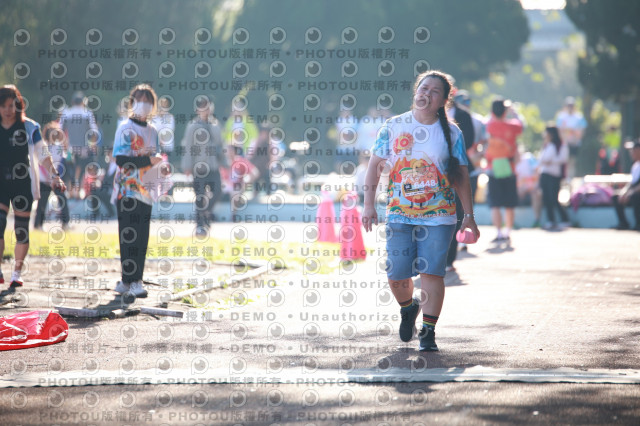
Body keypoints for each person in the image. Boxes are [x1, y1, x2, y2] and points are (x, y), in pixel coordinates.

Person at [362, 71, 479, 352]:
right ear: (416, 91)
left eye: (435, 91)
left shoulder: (452, 133)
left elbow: (461, 175)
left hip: (439, 215)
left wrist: (468, 216)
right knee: (396, 274)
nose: (427, 93)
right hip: (400, 213)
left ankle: (428, 332)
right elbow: (374, 166)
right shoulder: (394, 126)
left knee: (432, 273)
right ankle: (408, 307)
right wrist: (368, 205)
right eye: (423, 88)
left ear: (444, 101)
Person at [0, 85, 66, 287]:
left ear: (18, 106)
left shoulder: (30, 127)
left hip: (22, 183)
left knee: (21, 230)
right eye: (3, 106)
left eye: (11, 105)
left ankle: (16, 273)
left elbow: (42, 153)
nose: (7, 110)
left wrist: (55, 175)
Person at [112, 84, 165, 298]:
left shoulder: (153, 131)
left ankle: (134, 280)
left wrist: (161, 166)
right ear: (132, 103)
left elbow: (156, 158)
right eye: (140, 100)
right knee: (129, 235)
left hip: (147, 191)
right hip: (127, 190)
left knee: (142, 237)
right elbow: (121, 160)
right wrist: (148, 161)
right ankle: (129, 280)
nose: (144, 105)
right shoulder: (125, 127)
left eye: (148, 101)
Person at [180, 97, 227, 235]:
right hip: (198, 167)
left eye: (207, 106)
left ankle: (206, 213)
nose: (205, 109)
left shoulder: (216, 125)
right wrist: (187, 166)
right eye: (202, 107)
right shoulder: (192, 126)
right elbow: (188, 147)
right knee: (200, 196)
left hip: (213, 166)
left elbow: (221, 145)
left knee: (217, 191)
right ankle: (200, 225)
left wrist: (225, 163)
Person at [445, 89, 475, 272]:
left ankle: (449, 259)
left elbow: (469, 139)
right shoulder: (424, 115)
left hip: (455, 168)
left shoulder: (463, 115)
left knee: (455, 213)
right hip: (429, 175)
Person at [485, 98, 523, 242]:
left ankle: (499, 232)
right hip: (509, 166)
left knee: (495, 203)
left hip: (492, 166)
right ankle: (508, 231)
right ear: (505, 111)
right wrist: (514, 112)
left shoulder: (489, 126)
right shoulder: (512, 126)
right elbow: (521, 125)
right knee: (509, 203)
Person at [59, 91, 99, 197]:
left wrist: (64, 145)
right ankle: (79, 191)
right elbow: (94, 132)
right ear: (83, 102)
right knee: (82, 169)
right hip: (84, 148)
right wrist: (93, 145)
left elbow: (60, 131)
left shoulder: (66, 113)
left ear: (72, 102)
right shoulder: (88, 113)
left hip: (70, 148)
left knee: (71, 170)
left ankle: (71, 191)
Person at [34, 122, 70, 230]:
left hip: (56, 179)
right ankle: (38, 224)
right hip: (44, 179)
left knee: (62, 199)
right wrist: (49, 177)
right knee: (42, 202)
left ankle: (65, 223)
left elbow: (60, 163)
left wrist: (56, 176)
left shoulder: (59, 147)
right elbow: (41, 163)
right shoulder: (44, 146)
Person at [538, 125, 570, 230]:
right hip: (545, 174)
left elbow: (563, 159)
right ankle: (550, 221)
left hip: (554, 175)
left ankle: (565, 219)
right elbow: (541, 159)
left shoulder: (561, 145)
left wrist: (551, 161)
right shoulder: (547, 145)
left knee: (554, 198)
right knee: (546, 199)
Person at [612, 140, 640, 230]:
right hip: (633, 192)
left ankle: (638, 224)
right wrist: (624, 192)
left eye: (633, 150)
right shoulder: (635, 166)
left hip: (637, 194)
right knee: (616, 196)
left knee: (635, 197)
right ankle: (623, 223)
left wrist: (631, 193)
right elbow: (631, 183)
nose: (631, 153)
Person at [556, 96, 586, 179]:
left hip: (575, 143)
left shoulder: (579, 117)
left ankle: (571, 177)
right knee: (564, 160)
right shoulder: (561, 116)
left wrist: (576, 137)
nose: (570, 107)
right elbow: (559, 130)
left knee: (572, 161)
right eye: (568, 105)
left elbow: (582, 130)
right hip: (565, 142)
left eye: (571, 106)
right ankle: (564, 177)